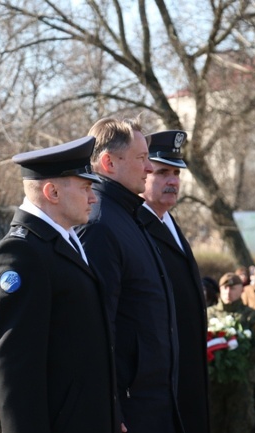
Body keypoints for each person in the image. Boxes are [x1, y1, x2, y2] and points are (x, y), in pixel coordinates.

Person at [0, 136, 119, 433]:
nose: (94, 197)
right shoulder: (21, 254)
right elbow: (15, 369)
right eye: (86, 187)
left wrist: (110, 415)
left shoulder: (66, 242)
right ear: (52, 191)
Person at [77, 117, 182, 433]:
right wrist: (111, 409)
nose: (150, 167)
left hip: (152, 403)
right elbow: (95, 327)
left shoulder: (126, 215)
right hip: (130, 411)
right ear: (109, 162)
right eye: (142, 158)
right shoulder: (100, 224)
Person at [138, 129, 210, 433]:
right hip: (156, 380)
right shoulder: (135, 224)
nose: (173, 181)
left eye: (176, 173)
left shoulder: (168, 221)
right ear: (143, 173)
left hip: (186, 372)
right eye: (162, 172)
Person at [207, 273, 255, 433]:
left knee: (241, 423)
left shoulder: (251, 316)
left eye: (233, 287)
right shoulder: (208, 314)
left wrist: (241, 361)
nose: (228, 291)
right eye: (225, 287)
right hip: (213, 380)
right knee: (212, 422)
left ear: (241, 290)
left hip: (242, 380)